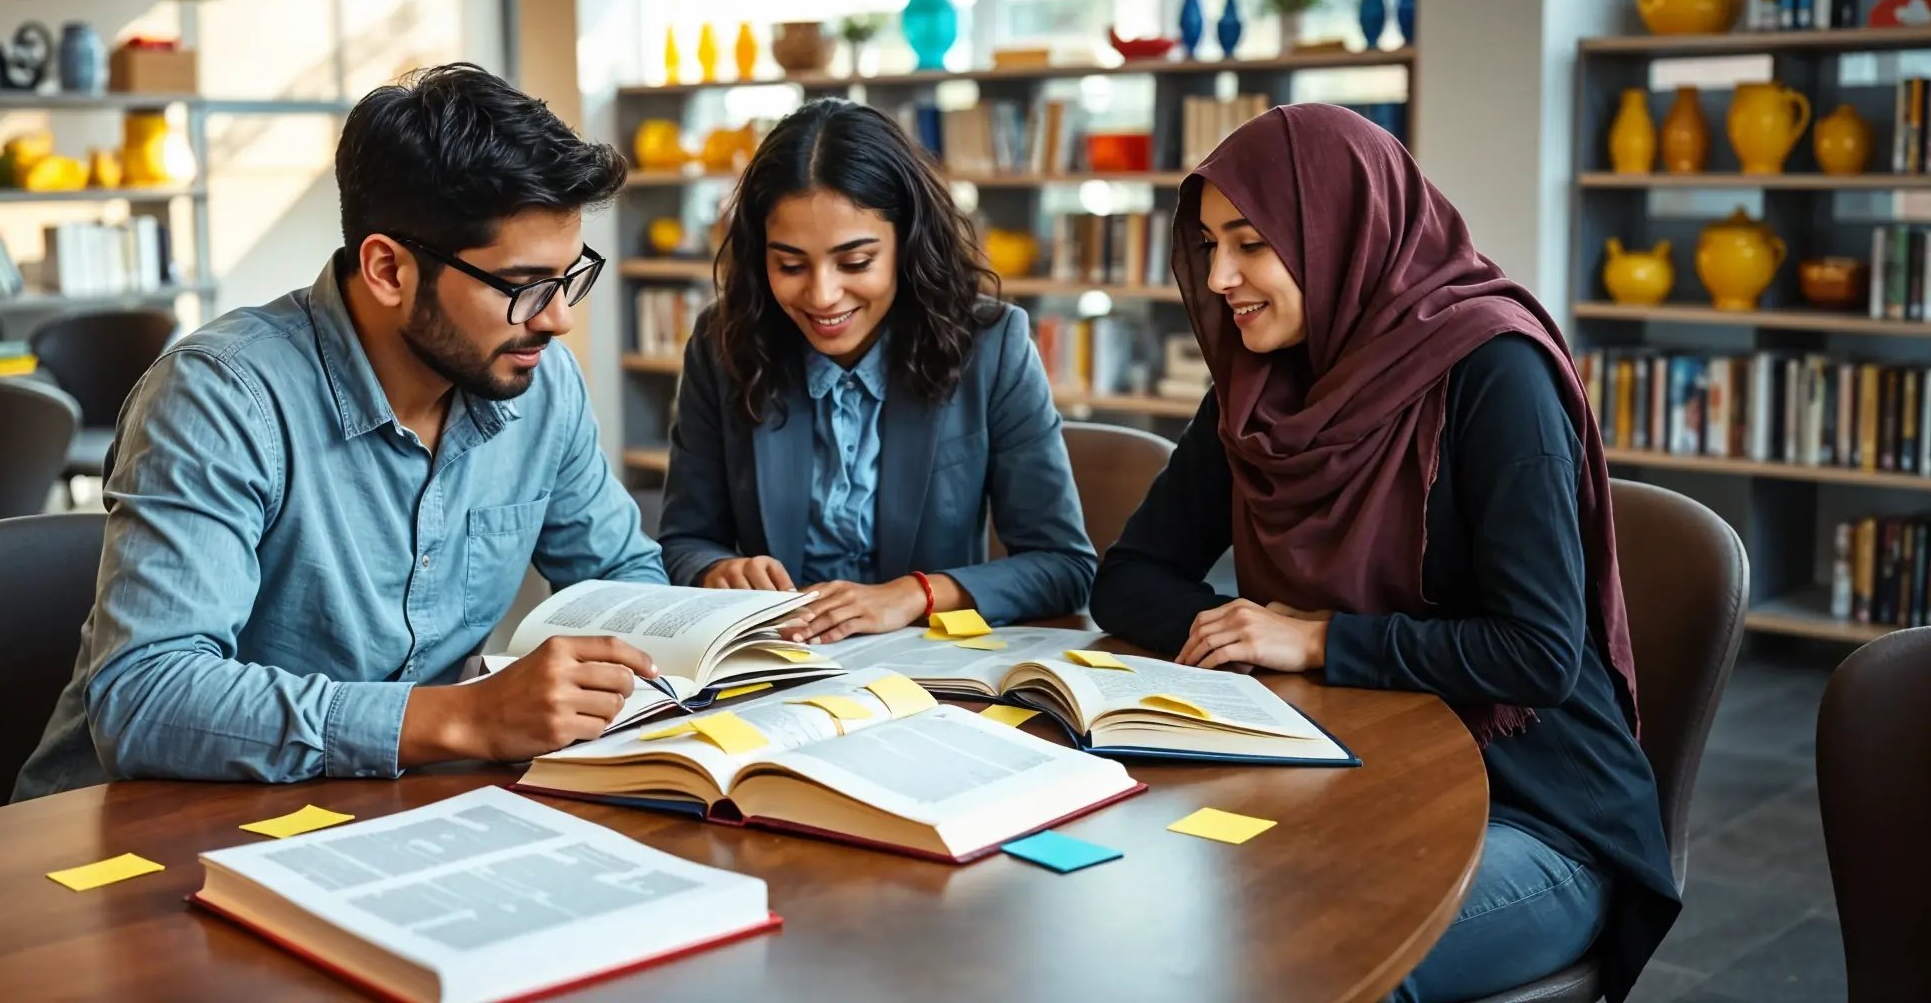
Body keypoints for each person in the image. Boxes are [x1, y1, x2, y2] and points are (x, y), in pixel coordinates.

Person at [1089, 104, 1680, 1003]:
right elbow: (1128, 579)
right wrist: (1240, 635)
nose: (1220, 278)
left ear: (1340, 229)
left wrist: (1319, 640)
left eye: (1249, 244)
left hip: (1537, 817)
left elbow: (1537, 654)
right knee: (1151, 919)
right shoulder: (1258, 393)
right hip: (1340, 779)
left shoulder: (1495, 374)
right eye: (1208, 246)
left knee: (1312, 956)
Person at [15, 64, 667, 799]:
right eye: (522, 287)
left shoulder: (540, 383)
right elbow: (149, 699)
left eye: (569, 275)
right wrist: (462, 718)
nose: (558, 318)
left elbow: (624, 582)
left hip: (374, 810)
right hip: (132, 837)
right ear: (388, 268)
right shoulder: (220, 397)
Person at [658, 98, 1093, 643]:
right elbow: (682, 542)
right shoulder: (722, 344)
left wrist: (915, 595)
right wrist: (716, 570)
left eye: (855, 262)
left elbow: (1064, 567)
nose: (822, 295)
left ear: (906, 244)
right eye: (790, 265)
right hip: (779, 666)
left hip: (933, 679)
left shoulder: (992, 346)